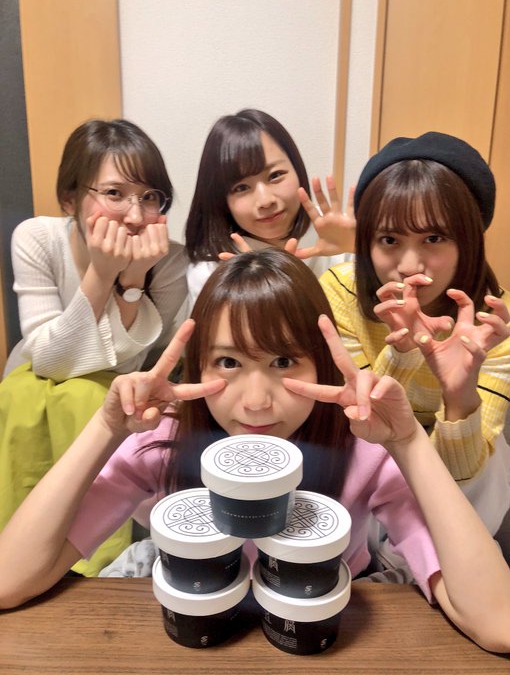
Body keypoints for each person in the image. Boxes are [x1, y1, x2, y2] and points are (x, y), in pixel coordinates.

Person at [1, 248, 509, 654]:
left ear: (321, 363)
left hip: (321, 634)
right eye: (228, 362)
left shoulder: (361, 451)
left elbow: (498, 622)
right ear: (198, 365)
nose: (257, 402)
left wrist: (408, 441)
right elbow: (8, 580)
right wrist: (106, 427)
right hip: (185, 629)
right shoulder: (164, 443)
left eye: (284, 361)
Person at [0, 119, 188, 574]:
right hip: (35, 378)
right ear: (70, 199)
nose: (135, 215)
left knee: (89, 394)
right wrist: (102, 275)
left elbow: (130, 362)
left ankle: (91, 563)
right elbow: (50, 361)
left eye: (149, 197)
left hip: (121, 387)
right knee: (25, 394)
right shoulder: (36, 238)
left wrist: (133, 280)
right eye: (114, 193)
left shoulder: (169, 260)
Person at [319, 132, 510, 544]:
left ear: (469, 239)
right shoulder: (342, 291)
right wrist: (402, 350)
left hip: (458, 464)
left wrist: (459, 396)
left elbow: (463, 477)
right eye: (389, 240)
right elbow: (364, 421)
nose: (409, 266)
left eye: (433, 238)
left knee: (491, 473)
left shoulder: (494, 325)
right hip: (375, 437)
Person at [184, 108, 355, 307]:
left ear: (297, 168)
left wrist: (358, 249)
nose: (265, 201)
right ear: (221, 200)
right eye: (241, 188)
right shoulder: (212, 272)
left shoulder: (332, 231)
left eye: (275, 175)